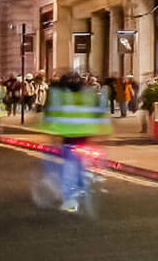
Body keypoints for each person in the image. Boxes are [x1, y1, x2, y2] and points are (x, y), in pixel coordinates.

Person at [37, 71, 114, 212]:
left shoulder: (61, 98)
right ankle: (86, 181)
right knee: (82, 163)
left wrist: (50, 134)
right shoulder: (89, 96)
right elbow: (100, 113)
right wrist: (103, 134)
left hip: (69, 138)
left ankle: (70, 200)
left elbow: (51, 116)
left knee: (69, 169)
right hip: (86, 136)